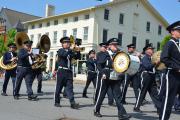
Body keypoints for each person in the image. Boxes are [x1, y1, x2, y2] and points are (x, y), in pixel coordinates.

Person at [94, 38, 131, 120]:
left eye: (116, 44)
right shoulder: (103, 54)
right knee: (102, 94)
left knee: (118, 96)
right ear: (109, 46)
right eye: (113, 44)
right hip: (106, 75)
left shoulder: (119, 54)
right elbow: (99, 65)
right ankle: (96, 110)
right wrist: (102, 73)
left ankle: (121, 114)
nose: (115, 46)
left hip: (115, 76)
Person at [159, 21, 180, 120]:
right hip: (171, 75)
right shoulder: (169, 43)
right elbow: (164, 58)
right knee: (168, 101)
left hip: (178, 75)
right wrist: (177, 67)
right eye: (178, 30)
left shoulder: (178, 44)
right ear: (172, 32)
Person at [54, 36, 81, 109]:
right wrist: (71, 49)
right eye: (65, 43)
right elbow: (64, 55)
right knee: (58, 88)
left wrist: (78, 51)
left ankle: (72, 103)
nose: (67, 44)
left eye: (68, 42)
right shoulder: (60, 51)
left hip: (69, 72)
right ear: (62, 44)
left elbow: (77, 57)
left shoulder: (71, 51)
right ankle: (57, 102)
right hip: (61, 71)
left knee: (70, 88)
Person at [134, 44, 161, 112]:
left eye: (152, 49)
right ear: (146, 51)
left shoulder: (152, 58)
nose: (152, 50)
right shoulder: (145, 58)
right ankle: (136, 107)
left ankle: (159, 108)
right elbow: (147, 67)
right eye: (151, 49)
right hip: (146, 75)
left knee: (154, 93)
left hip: (152, 76)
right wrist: (155, 63)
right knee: (142, 92)